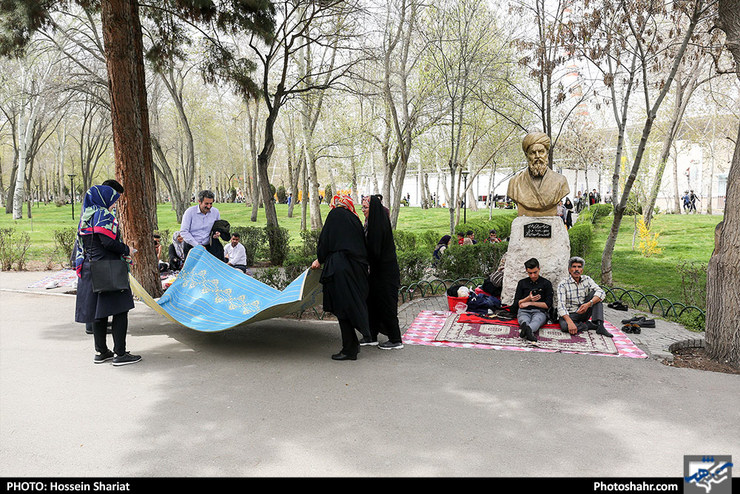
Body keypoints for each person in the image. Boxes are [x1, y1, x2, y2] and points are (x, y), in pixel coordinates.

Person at [74, 184, 141, 366]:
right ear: (104, 199)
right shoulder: (103, 215)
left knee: (99, 313)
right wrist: (128, 249)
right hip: (108, 267)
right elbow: (108, 242)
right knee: (121, 309)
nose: (114, 205)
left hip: (90, 267)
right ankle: (120, 354)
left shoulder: (86, 215)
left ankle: (101, 352)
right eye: (113, 201)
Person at [311, 194, 370, 361]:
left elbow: (326, 240)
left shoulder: (335, 215)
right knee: (350, 306)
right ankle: (353, 345)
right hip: (357, 269)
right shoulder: (354, 218)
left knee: (342, 308)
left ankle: (349, 349)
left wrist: (320, 259)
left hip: (340, 268)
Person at [362, 194, 403, 350]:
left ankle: (395, 339)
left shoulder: (378, 226)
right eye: (363, 207)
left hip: (385, 274)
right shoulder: (370, 224)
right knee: (371, 304)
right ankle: (371, 336)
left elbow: (374, 251)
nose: (363, 210)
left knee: (387, 305)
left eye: (365, 208)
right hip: (375, 274)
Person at [506, 132, 570, 216]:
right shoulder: (515, 183)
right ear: (526, 155)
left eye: (541, 152)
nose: (537, 156)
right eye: (532, 153)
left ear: (547, 153)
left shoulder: (560, 181)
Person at [556, 256, 613, 338]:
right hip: (571, 314)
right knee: (565, 327)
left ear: (582, 270)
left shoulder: (587, 279)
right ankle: (588, 325)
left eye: (579, 267)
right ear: (569, 270)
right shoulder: (563, 284)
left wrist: (588, 304)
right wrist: (570, 322)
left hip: (585, 310)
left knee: (596, 295)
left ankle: (600, 326)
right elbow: (561, 306)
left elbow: (601, 292)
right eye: (574, 267)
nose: (577, 269)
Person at [512, 258, 553, 342]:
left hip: (539, 311)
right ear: (526, 271)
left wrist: (531, 303)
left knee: (537, 320)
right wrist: (528, 299)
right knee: (523, 320)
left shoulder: (546, 283)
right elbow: (516, 303)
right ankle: (527, 330)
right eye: (530, 273)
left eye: (535, 272)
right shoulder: (522, 283)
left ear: (539, 269)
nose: (533, 276)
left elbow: (548, 304)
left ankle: (527, 330)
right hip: (524, 310)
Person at [180, 190, 222, 259]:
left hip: (208, 248)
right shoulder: (189, 212)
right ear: (199, 201)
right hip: (191, 246)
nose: (209, 206)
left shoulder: (215, 212)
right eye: (206, 204)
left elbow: (217, 228)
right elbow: (184, 232)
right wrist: (197, 246)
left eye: (211, 203)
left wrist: (217, 233)